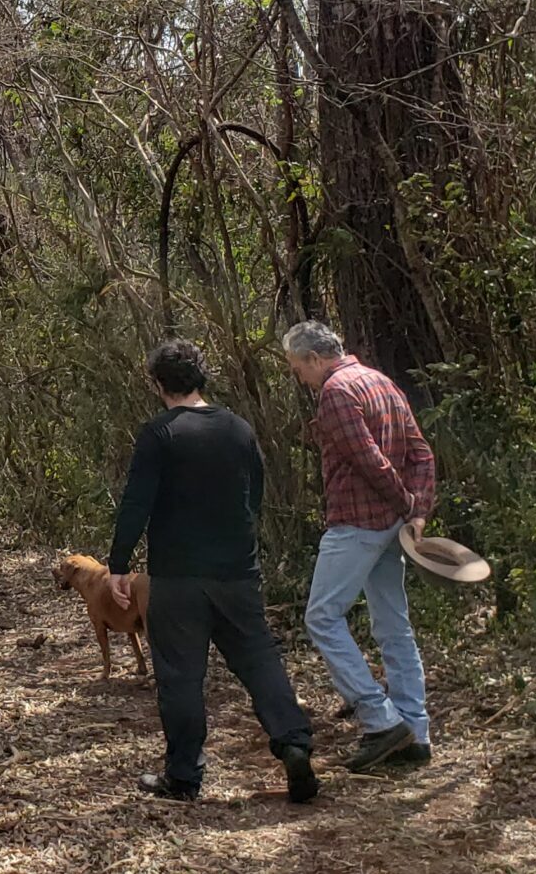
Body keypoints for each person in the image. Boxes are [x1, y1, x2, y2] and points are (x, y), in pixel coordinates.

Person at [105, 339, 319, 803]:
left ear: (159, 384)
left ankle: (183, 777)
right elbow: (254, 495)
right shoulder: (238, 429)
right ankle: (295, 744)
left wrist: (119, 564)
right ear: (202, 378)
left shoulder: (160, 434)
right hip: (237, 573)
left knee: (181, 675)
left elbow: (137, 502)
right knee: (259, 660)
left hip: (178, 578)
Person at [282, 319, 436, 770]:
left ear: (314, 358)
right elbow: (420, 452)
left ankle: (380, 719)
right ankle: (415, 732)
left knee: (322, 617)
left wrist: (409, 503)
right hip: (390, 525)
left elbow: (369, 460)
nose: (299, 377)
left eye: (297, 368)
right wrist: (416, 509)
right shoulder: (381, 381)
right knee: (393, 624)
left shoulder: (337, 391)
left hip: (357, 522)